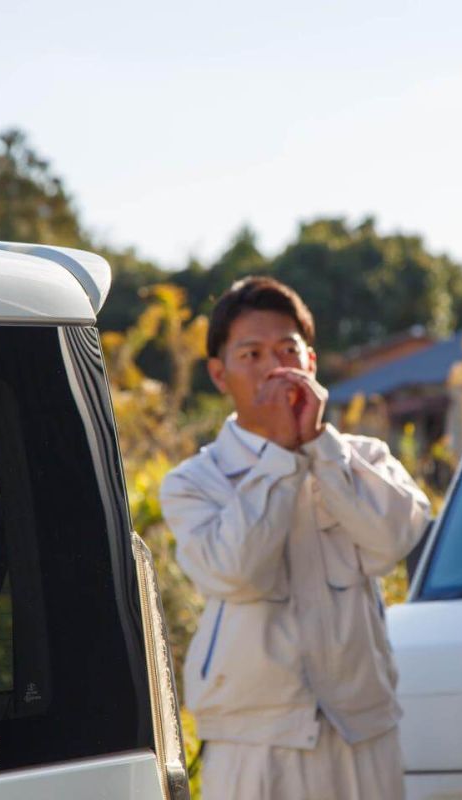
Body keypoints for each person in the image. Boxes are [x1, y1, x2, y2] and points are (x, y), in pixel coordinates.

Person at [160, 276, 431, 800]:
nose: (273, 367)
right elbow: (235, 573)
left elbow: (395, 539)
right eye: (252, 354)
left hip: (362, 729)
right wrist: (281, 459)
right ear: (220, 374)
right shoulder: (194, 482)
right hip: (253, 741)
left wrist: (319, 451)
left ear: (311, 362)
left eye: (288, 349)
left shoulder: (363, 458)